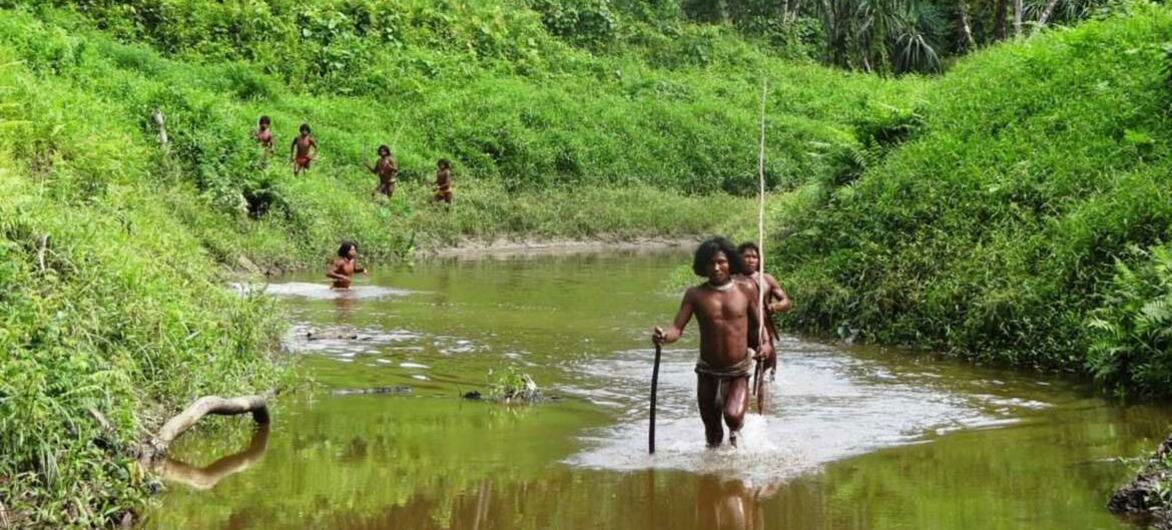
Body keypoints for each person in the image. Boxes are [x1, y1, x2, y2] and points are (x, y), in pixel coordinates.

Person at [652, 237, 772, 448]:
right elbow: (677, 329)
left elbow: (757, 325)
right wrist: (664, 337)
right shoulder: (695, 295)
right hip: (707, 370)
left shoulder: (746, 289)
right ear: (703, 266)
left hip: (738, 369)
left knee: (733, 416)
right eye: (710, 263)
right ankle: (714, 471)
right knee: (712, 431)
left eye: (721, 262)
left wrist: (766, 343)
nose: (716, 267)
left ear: (730, 263)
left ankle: (737, 443)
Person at [737, 242, 792, 382]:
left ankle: (765, 389)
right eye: (747, 256)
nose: (751, 260)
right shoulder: (733, 280)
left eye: (754, 257)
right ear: (738, 259)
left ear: (759, 259)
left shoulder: (767, 279)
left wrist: (774, 307)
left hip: (763, 328)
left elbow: (787, 302)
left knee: (769, 364)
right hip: (739, 329)